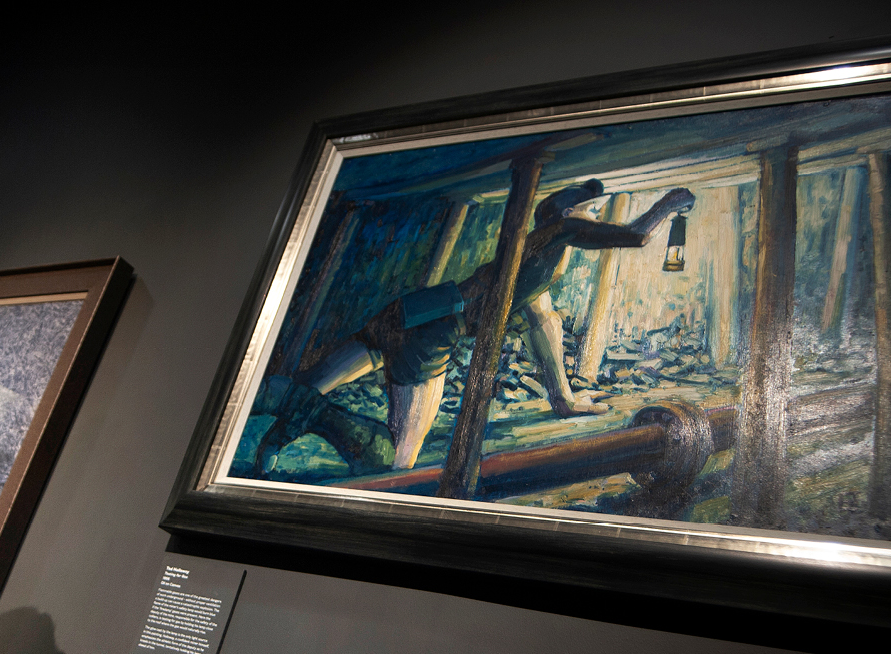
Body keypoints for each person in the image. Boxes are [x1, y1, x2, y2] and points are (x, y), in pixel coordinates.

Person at [254, 180, 695, 473]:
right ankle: (309, 416)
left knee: (307, 383)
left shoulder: (530, 269)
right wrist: (672, 203)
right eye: (592, 210)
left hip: (407, 311)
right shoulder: (559, 231)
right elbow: (637, 236)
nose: (597, 218)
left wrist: (564, 399)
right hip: (429, 333)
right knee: (396, 461)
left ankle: (275, 430)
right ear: (571, 214)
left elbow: (545, 325)